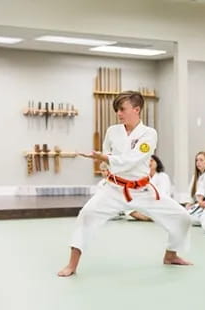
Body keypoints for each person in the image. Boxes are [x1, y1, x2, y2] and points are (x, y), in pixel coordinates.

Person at [57, 91, 192, 277]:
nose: (118, 114)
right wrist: (103, 163)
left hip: (143, 190)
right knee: (87, 215)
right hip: (114, 189)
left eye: (122, 109)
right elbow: (106, 155)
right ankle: (72, 264)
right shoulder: (112, 131)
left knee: (182, 217)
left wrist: (104, 157)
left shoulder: (149, 134)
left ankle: (171, 254)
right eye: (117, 110)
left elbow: (132, 160)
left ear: (136, 110)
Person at [184, 151, 205, 223]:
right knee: (184, 215)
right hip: (195, 205)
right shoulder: (195, 177)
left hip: (204, 205)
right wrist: (188, 204)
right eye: (197, 160)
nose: (198, 162)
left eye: (201, 160)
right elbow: (190, 194)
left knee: (192, 219)